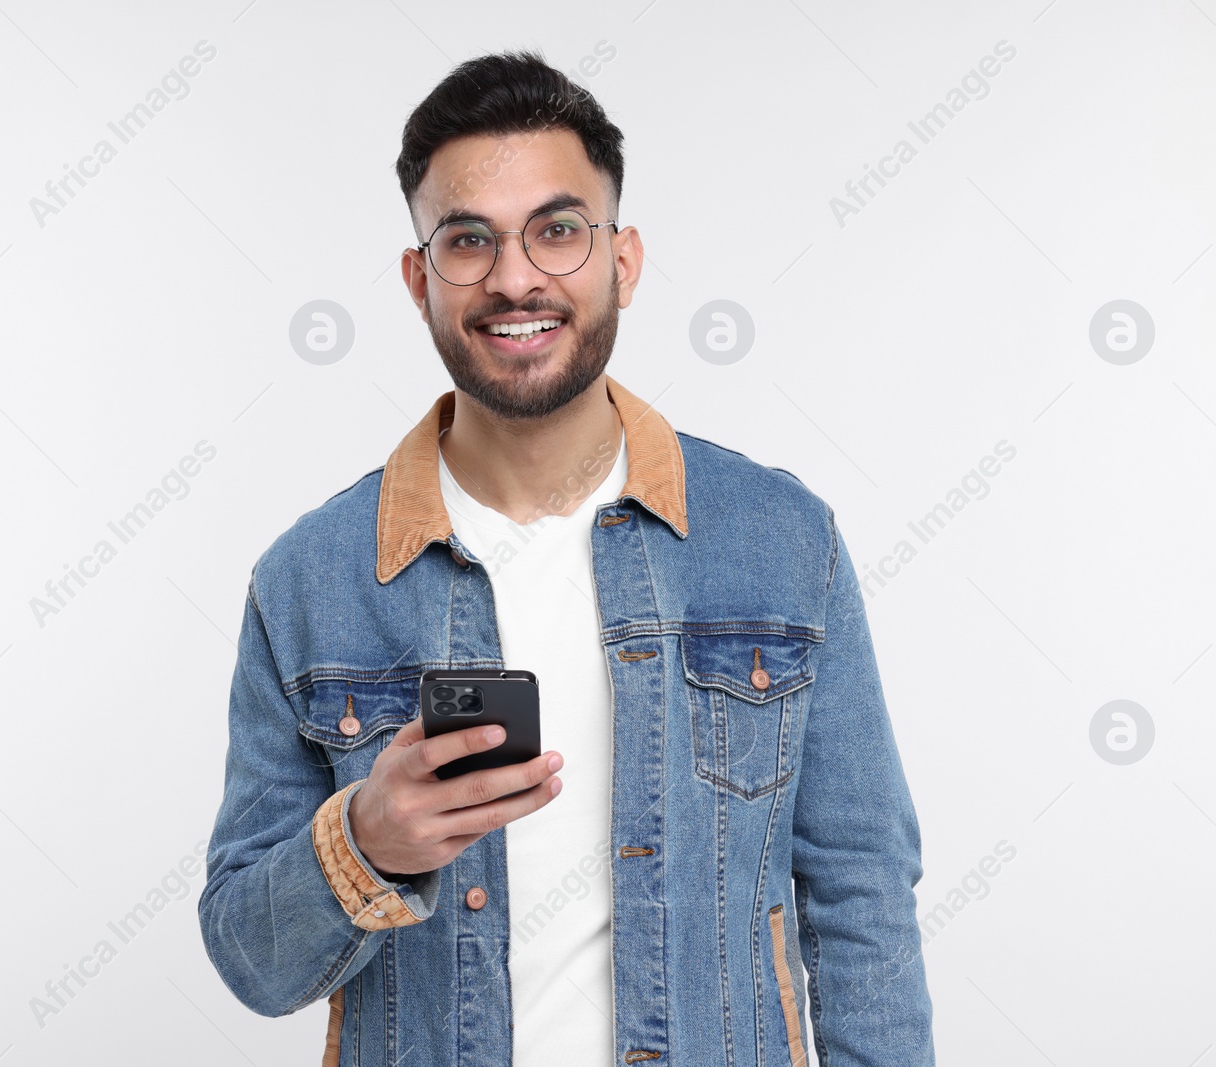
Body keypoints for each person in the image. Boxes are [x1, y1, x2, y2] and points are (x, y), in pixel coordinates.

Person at [198, 49, 934, 1067]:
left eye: (556, 230)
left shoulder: (778, 539)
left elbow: (861, 895)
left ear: (621, 260)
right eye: (468, 240)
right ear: (419, 280)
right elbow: (249, 957)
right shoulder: (309, 580)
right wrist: (363, 840)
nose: (514, 277)